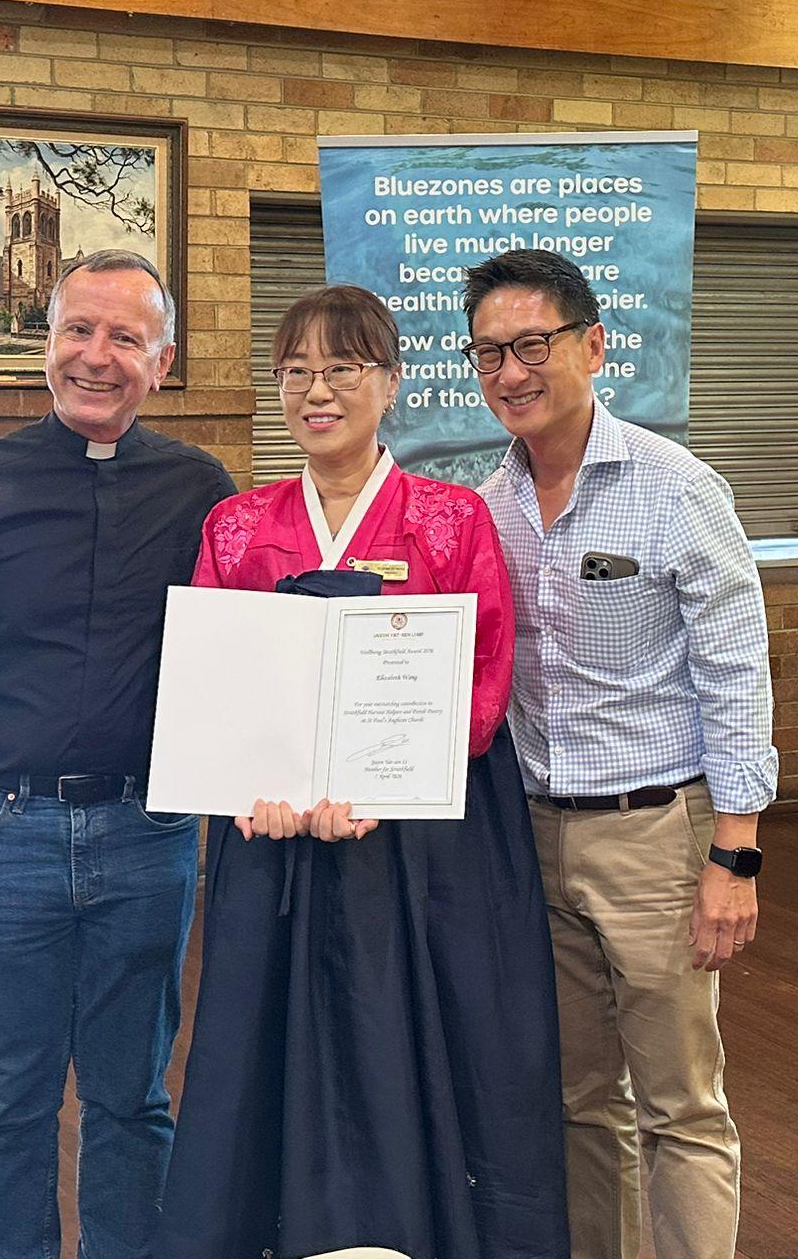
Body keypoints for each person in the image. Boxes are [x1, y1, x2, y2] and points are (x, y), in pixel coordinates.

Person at [158, 284, 568, 1259]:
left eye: (341, 368)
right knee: (264, 1046)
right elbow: (220, 680)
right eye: (296, 371)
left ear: (389, 382)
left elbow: (482, 674)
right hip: (271, 838)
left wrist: (377, 787)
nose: (317, 391)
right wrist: (247, 782)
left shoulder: (449, 520)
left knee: (410, 1038)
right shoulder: (237, 525)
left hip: (416, 847)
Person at [0, 249, 235, 1259]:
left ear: (159, 363)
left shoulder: (199, 491)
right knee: (6, 1105)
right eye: (79, 330)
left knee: (133, 1099)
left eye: (125, 338)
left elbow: (241, 652)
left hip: (146, 835)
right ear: (44, 347)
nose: (97, 355)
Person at [462, 248, 777, 1259]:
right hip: (530, 838)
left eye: (530, 346)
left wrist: (735, 852)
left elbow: (735, 669)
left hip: (654, 835)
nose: (509, 373)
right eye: (486, 355)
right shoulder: (487, 505)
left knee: (679, 1103)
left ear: (592, 345)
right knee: (575, 1100)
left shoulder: (674, 488)